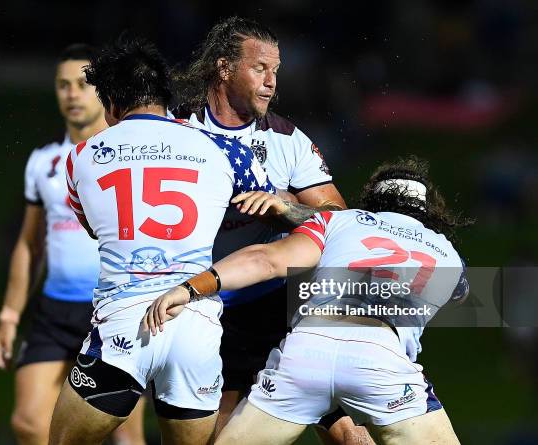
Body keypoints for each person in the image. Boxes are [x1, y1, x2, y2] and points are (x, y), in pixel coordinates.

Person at [49, 35, 309, 445]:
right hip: (195, 325)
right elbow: (265, 203)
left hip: (125, 325)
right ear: (165, 96)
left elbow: (97, 228)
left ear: (112, 105)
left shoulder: (82, 155)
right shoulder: (225, 150)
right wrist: (284, 203)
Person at [145, 156, 470, 445]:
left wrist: (189, 288)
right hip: (381, 358)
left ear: (372, 199)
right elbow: (459, 292)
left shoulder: (341, 220)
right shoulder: (444, 249)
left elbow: (266, 260)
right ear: (428, 211)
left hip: (307, 351)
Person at [173, 17, 368, 443]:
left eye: (276, 71)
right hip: (197, 304)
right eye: (260, 68)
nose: (271, 82)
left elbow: (339, 216)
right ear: (224, 68)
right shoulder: (176, 130)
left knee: (349, 436)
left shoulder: (286, 139)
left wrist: (286, 207)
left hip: (270, 303)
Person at [0, 44, 146, 445]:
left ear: (103, 91)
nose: (72, 94)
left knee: (124, 435)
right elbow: (29, 244)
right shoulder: (43, 162)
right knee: (29, 423)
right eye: (63, 85)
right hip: (55, 313)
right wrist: (10, 315)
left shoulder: (134, 153)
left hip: (113, 310)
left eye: (82, 84)